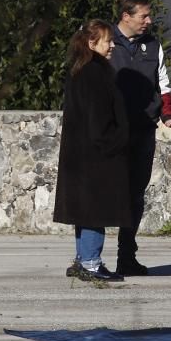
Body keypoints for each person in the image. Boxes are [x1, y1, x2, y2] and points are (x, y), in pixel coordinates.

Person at [109, 0, 171, 276]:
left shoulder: (153, 46)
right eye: (143, 16)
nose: (149, 21)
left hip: (143, 130)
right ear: (126, 16)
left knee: (135, 194)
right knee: (106, 192)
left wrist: (168, 115)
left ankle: (126, 256)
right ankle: (89, 257)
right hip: (113, 132)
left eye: (149, 15)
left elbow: (163, 84)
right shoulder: (106, 42)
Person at [53, 20, 129, 282]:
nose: (112, 46)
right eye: (107, 41)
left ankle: (83, 259)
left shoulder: (79, 70)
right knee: (96, 210)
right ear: (91, 43)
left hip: (80, 155)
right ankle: (91, 263)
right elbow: (100, 119)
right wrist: (116, 141)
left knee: (85, 212)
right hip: (96, 156)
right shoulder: (95, 73)